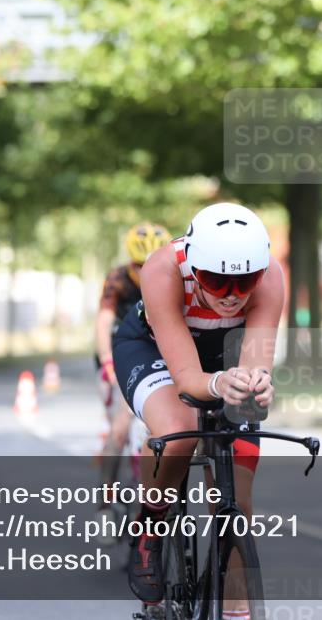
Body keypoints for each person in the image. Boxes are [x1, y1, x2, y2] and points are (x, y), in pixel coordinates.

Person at [112, 202, 283, 616]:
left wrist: (256, 383)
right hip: (153, 348)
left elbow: (255, 361)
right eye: (216, 280)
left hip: (225, 351)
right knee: (180, 428)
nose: (230, 295)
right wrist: (218, 383)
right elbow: (188, 378)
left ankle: (235, 611)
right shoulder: (161, 269)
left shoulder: (272, 275)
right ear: (193, 263)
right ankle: (150, 524)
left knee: (237, 503)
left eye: (244, 282)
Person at [94, 222, 172, 521]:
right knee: (119, 427)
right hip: (119, 355)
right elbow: (103, 321)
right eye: (140, 266)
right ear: (130, 263)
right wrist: (106, 361)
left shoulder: (172, 278)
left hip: (157, 354)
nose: (146, 271)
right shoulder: (117, 279)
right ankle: (106, 500)